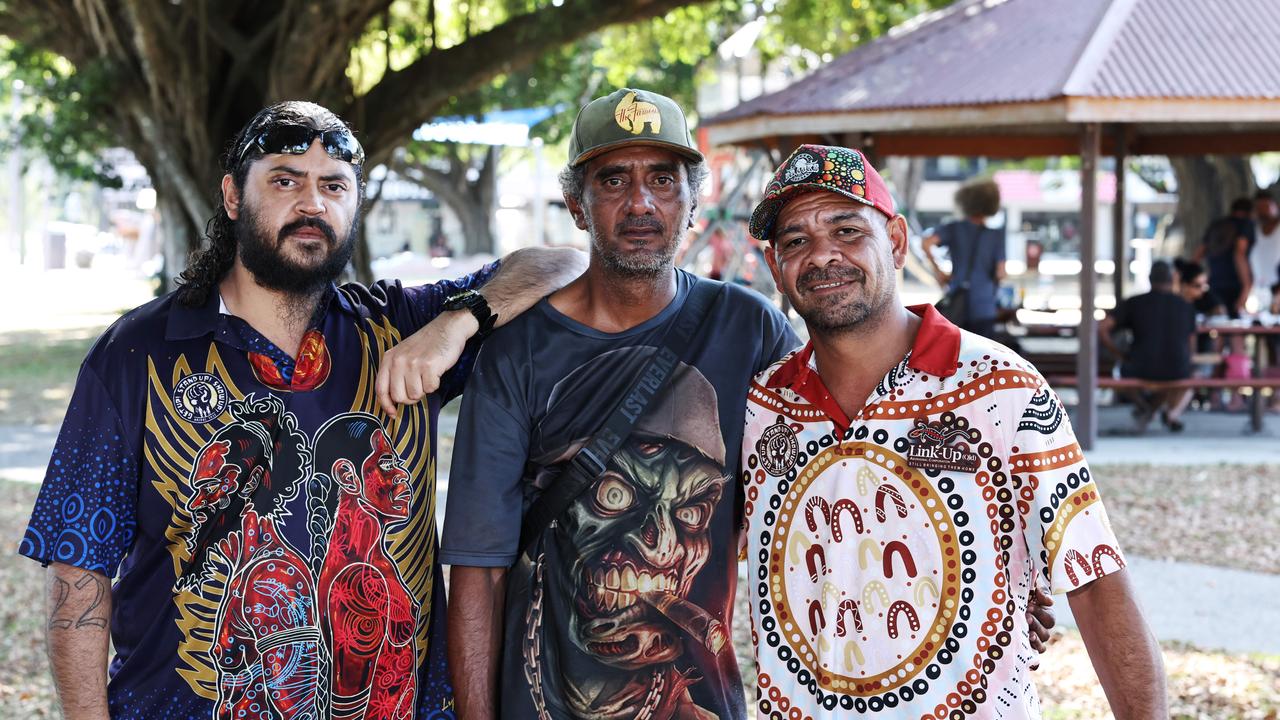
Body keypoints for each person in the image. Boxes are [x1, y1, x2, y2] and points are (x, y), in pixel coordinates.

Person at [438, 97, 1055, 719]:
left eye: (662, 179)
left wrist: (996, 583)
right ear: (577, 205)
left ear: (692, 202)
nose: (641, 203)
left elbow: (847, 461)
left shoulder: (746, 328)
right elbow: (476, 568)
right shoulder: (517, 355)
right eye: (613, 180)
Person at [19, 100, 585, 720]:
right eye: (285, 181)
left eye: (333, 186)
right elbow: (79, 571)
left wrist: (456, 323)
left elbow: (564, 263)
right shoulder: (136, 355)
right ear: (234, 196)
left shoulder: (397, 328)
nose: (312, 204)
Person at [742, 145, 1167, 718]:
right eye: (795, 241)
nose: (822, 256)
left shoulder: (1002, 388)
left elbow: (1093, 576)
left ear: (895, 240)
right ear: (775, 266)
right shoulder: (762, 405)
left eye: (846, 230)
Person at [1099, 261, 1197, 432]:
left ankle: (1145, 408)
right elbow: (1191, 346)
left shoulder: (1134, 303)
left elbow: (1102, 328)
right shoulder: (1185, 306)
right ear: (1171, 280)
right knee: (1186, 375)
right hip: (1177, 369)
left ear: (1150, 279)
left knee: (1118, 373)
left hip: (1139, 366)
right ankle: (1161, 412)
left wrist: (1119, 353)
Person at [922, 177, 1007, 338]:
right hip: (984, 305)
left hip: (957, 303)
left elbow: (926, 243)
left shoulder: (954, 228)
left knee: (956, 353)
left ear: (965, 202)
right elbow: (1000, 273)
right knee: (982, 355)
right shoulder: (995, 236)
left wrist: (939, 272)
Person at [1196, 197, 1254, 318]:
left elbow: (1199, 254)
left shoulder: (1216, 225)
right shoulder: (1245, 224)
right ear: (1250, 213)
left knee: (1218, 323)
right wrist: (1247, 285)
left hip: (1214, 281)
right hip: (1235, 283)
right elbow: (1239, 253)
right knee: (1235, 327)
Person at [1252, 190, 1280, 310]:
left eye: (1266, 207)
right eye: (1259, 208)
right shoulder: (1253, 229)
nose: (1263, 211)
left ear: (1276, 207)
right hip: (1258, 289)